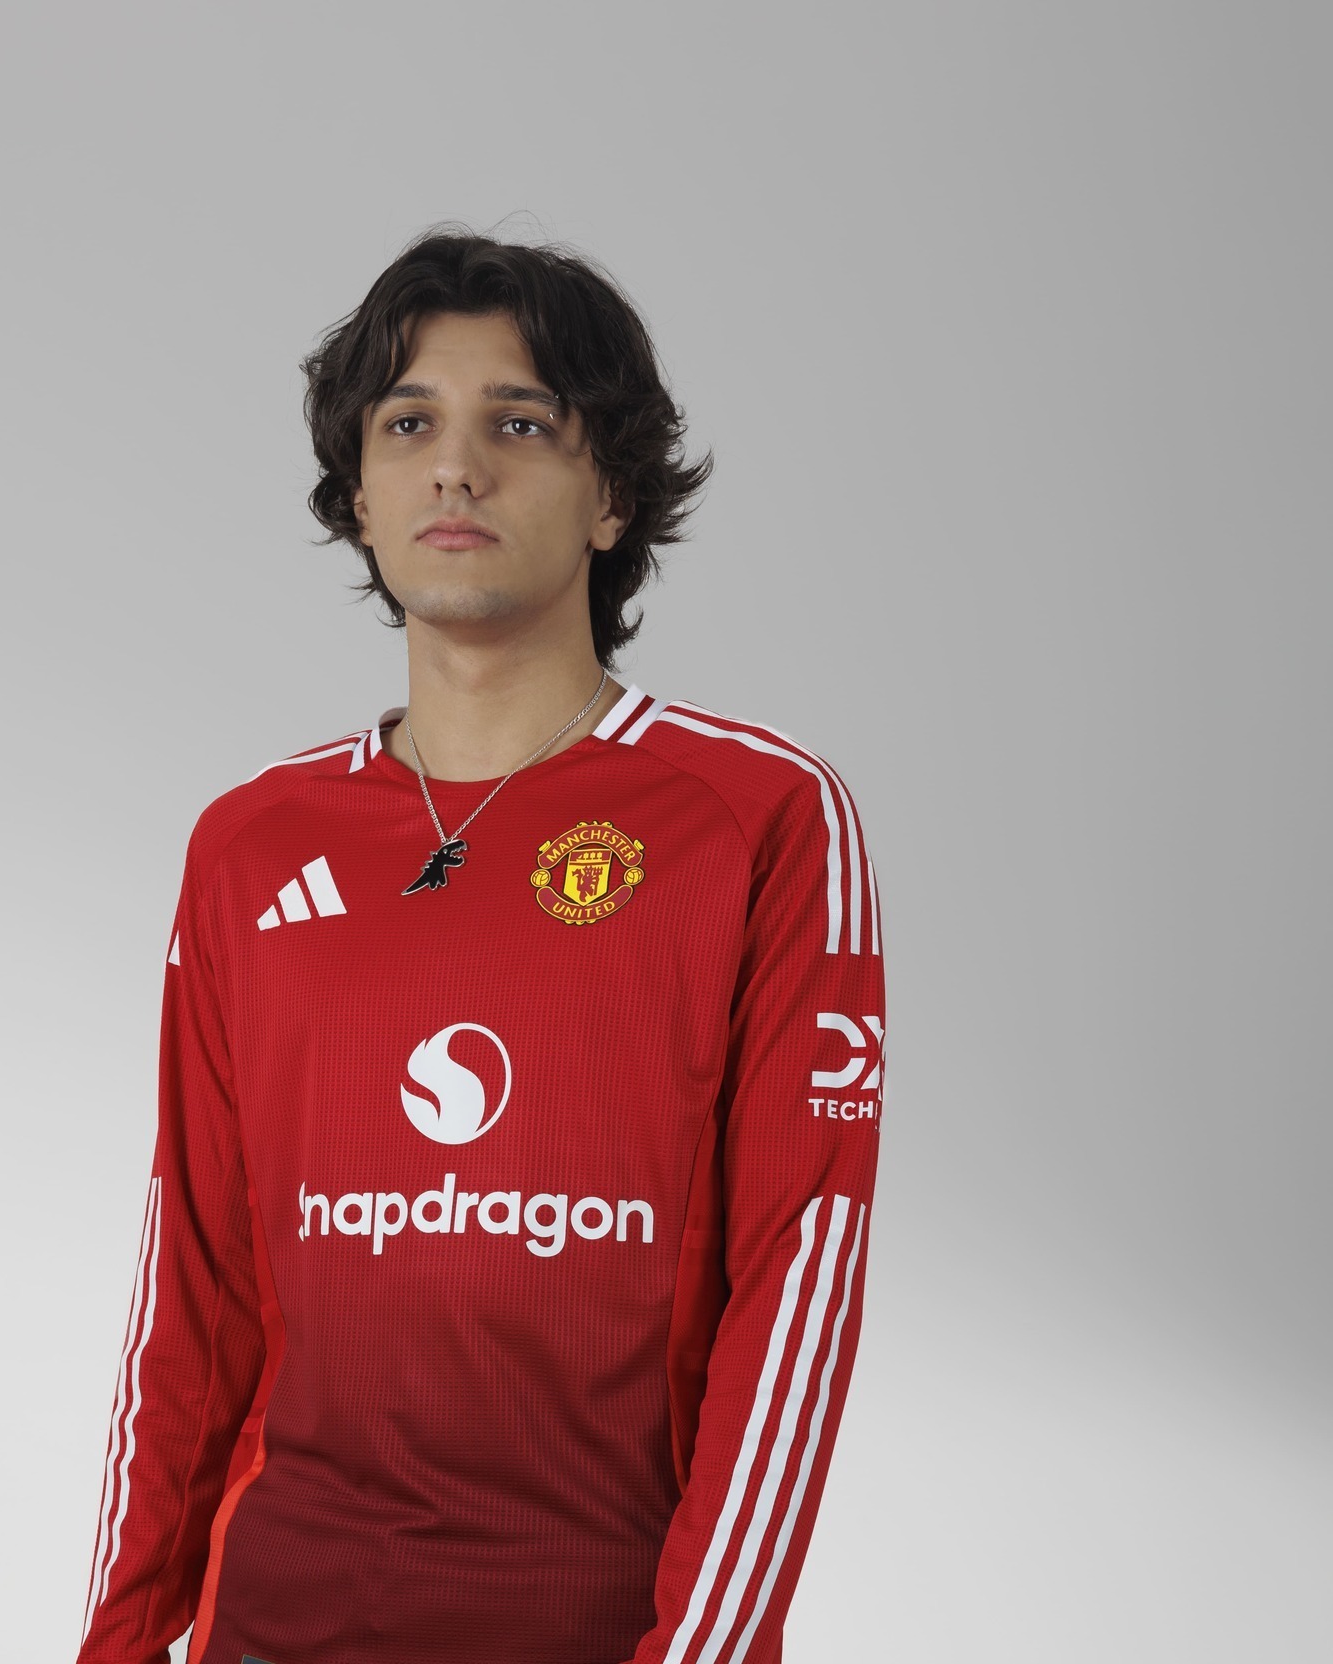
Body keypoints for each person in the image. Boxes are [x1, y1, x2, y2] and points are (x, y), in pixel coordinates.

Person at [74, 228, 885, 1664]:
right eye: (408, 426)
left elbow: (797, 1284)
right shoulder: (249, 844)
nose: (455, 468)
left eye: (517, 424)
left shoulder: (755, 817)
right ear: (359, 496)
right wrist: (119, 1644)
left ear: (610, 495)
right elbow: (190, 1305)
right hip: (272, 1626)